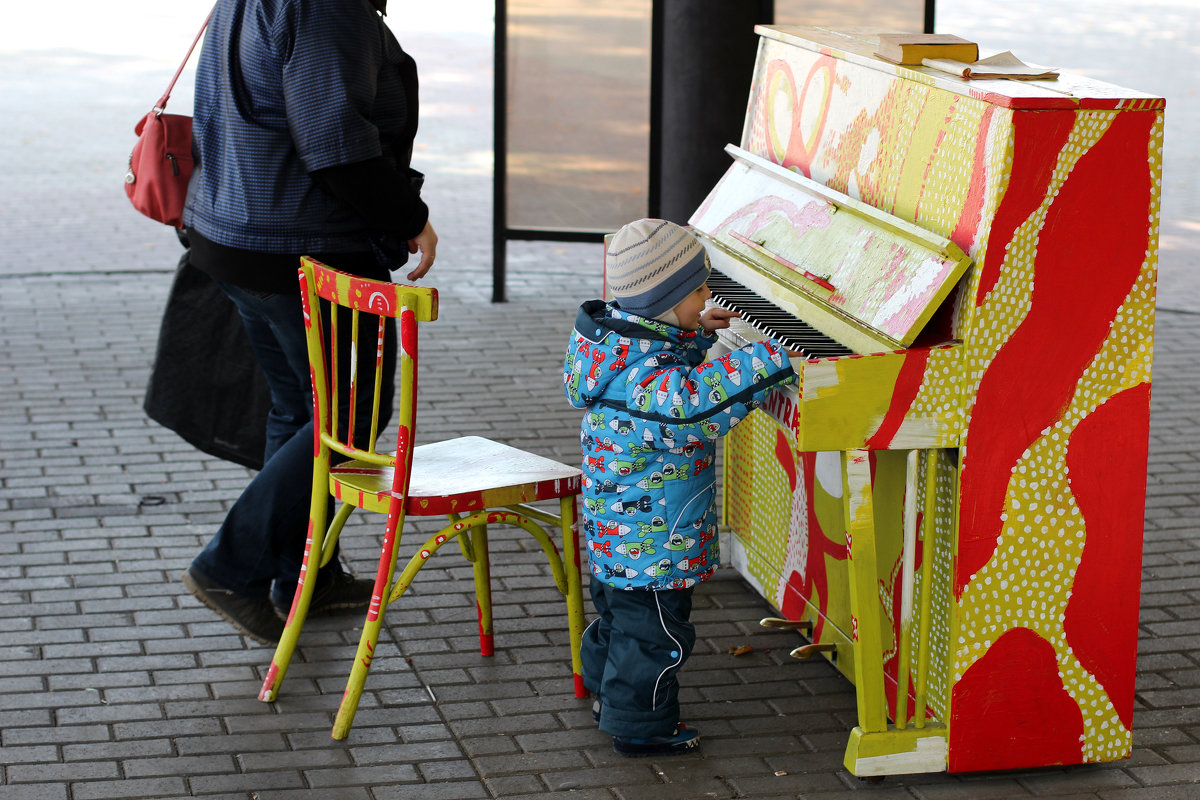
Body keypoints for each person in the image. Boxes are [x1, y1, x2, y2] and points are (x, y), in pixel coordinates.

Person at [179, 0, 437, 645]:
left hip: (234, 234)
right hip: (300, 246)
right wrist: (409, 216)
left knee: (300, 409)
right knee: (351, 414)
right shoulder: (327, 5)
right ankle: (229, 566)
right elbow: (334, 145)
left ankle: (305, 577)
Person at [563, 218, 797, 756]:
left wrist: (696, 331)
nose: (707, 295)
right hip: (652, 542)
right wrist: (768, 357)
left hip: (616, 534)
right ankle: (640, 728)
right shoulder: (649, 381)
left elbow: (665, 365)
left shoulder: (616, 346)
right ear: (662, 301)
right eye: (697, 291)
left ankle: (606, 689)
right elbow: (694, 406)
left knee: (622, 620)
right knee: (658, 637)